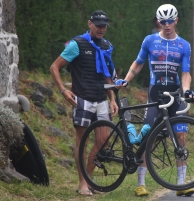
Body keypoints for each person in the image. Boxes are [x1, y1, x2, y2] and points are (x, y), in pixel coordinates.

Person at [116, 4, 194, 197]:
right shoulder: (150, 40)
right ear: (158, 21)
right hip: (156, 93)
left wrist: (186, 91)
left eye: (170, 21)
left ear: (176, 20)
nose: (166, 25)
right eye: (163, 21)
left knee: (181, 137)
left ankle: (181, 184)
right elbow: (138, 63)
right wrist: (126, 80)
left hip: (175, 94)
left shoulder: (184, 45)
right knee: (148, 137)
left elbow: (185, 73)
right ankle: (141, 183)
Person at [49, 10, 118, 196]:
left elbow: (108, 76)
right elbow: (54, 67)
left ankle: (89, 179)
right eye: (98, 25)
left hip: (102, 100)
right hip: (83, 100)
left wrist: (112, 99)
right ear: (90, 24)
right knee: (83, 141)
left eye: (104, 26)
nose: (101, 29)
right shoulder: (77, 44)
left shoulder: (106, 46)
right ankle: (82, 184)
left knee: (103, 140)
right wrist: (64, 90)